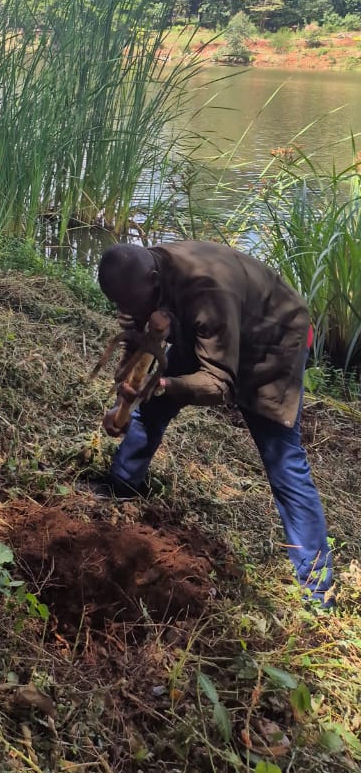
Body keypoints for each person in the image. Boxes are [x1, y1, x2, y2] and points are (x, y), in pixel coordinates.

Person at [95, 240, 334, 605]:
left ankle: (317, 589)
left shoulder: (206, 291)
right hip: (212, 327)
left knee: (282, 460)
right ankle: (122, 484)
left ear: (154, 281)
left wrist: (161, 385)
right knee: (151, 408)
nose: (128, 311)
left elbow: (219, 383)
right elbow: (136, 338)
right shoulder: (138, 282)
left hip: (271, 340)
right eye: (120, 305)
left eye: (132, 304)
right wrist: (123, 401)